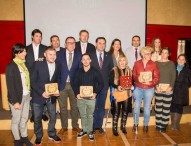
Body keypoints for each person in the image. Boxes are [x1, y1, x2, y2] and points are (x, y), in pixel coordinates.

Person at [30, 46, 61, 145]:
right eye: (50, 54)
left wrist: (57, 90)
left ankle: (52, 134)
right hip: (38, 96)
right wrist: (41, 92)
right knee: (37, 118)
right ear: (45, 55)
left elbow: (58, 79)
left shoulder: (58, 65)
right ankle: (39, 136)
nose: (52, 57)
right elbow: (32, 81)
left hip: (52, 96)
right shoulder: (37, 64)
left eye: (54, 54)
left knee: (53, 116)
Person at [6, 43, 32, 146]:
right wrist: (15, 102)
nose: (25, 53)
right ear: (16, 53)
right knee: (16, 120)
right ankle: (17, 140)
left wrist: (29, 93)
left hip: (26, 96)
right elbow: (10, 86)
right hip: (16, 98)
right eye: (23, 51)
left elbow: (27, 80)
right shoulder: (11, 66)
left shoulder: (24, 64)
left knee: (24, 118)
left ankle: (24, 137)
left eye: (25, 51)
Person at [74, 53, 104, 141]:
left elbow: (101, 83)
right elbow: (74, 83)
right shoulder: (78, 71)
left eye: (87, 59)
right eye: (84, 59)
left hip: (91, 98)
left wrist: (95, 93)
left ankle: (90, 131)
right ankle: (84, 130)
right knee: (83, 115)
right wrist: (77, 93)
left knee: (90, 115)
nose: (86, 61)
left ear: (90, 60)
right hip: (81, 98)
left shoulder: (95, 71)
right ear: (81, 61)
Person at [57, 37, 82, 135]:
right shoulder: (58, 55)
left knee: (74, 107)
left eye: (73, 43)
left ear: (75, 45)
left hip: (74, 86)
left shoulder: (79, 55)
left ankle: (75, 126)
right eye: (69, 43)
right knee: (62, 108)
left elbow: (80, 71)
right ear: (65, 44)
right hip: (62, 85)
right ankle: (64, 127)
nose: (71, 45)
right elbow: (56, 70)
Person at [132, 46, 160, 133]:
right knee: (136, 107)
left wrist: (151, 83)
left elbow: (157, 77)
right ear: (143, 54)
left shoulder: (154, 64)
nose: (150, 55)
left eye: (150, 53)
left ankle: (145, 125)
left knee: (147, 108)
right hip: (138, 88)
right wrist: (138, 79)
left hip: (149, 89)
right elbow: (134, 75)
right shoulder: (137, 63)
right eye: (148, 53)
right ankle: (135, 124)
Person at [91, 37, 114, 134]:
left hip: (104, 87)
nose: (101, 45)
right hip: (92, 87)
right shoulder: (90, 55)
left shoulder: (109, 56)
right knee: (92, 107)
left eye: (103, 43)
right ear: (96, 44)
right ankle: (91, 127)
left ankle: (98, 126)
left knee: (101, 107)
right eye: (99, 43)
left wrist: (109, 84)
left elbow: (111, 71)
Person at [26, 29, 48, 122]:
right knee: (32, 94)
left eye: (40, 36)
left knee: (43, 93)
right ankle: (34, 114)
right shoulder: (26, 49)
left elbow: (49, 61)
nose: (39, 38)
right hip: (30, 75)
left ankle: (43, 113)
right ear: (32, 37)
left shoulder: (45, 48)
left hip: (42, 76)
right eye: (37, 36)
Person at [109, 55, 132, 136]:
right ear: (118, 62)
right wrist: (117, 86)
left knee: (125, 111)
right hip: (117, 93)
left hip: (127, 93)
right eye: (120, 61)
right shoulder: (114, 70)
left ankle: (123, 126)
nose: (122, 62)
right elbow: (110, 82)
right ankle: (114, 128)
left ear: (126, 61)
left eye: (123, 60)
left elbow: (132, 81)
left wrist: (132, 85)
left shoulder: (129, 70)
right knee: (116, 112)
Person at [155, 47, 176, 133]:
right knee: (159, 107)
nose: (164, 54)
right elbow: (154, 75)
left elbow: (173, 76)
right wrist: (156, 86)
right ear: (161, 53)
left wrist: (171, 87)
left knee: (166, 108)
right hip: (158, 88)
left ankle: (163, 125)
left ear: (168, 54)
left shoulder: (171, 64)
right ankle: (158, 124)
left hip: (168, 89)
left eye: (166, 53)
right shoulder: (156, 63)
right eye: (163, 52)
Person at [170, 54, 191, 130]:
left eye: (183, 59)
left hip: (182, 92)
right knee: (172, 106)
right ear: (177, 59)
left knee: (179, 107)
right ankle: (173, 125)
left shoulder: (188, 70)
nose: (181, 61)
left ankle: (177, 124)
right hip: (173, 90)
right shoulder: (172, 68)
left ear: (185, 61)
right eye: (179, 59)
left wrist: (183, 85)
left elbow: (189, 82)